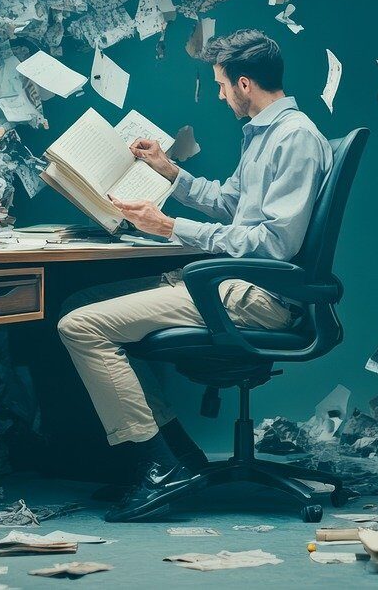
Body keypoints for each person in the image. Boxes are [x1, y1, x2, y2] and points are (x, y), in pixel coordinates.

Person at [57, 29, 332, 521]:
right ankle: (180, 455)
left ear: (244, 83)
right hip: (235, 285)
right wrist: (170, 172)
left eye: (222, 85)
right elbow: (232, 206)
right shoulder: (266, 134)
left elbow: (274, 244)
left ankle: (157, 467)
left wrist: (169, 226)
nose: (221, 95)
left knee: (80, 326)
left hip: (256, 296)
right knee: (79, 302)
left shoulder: (295, 139)